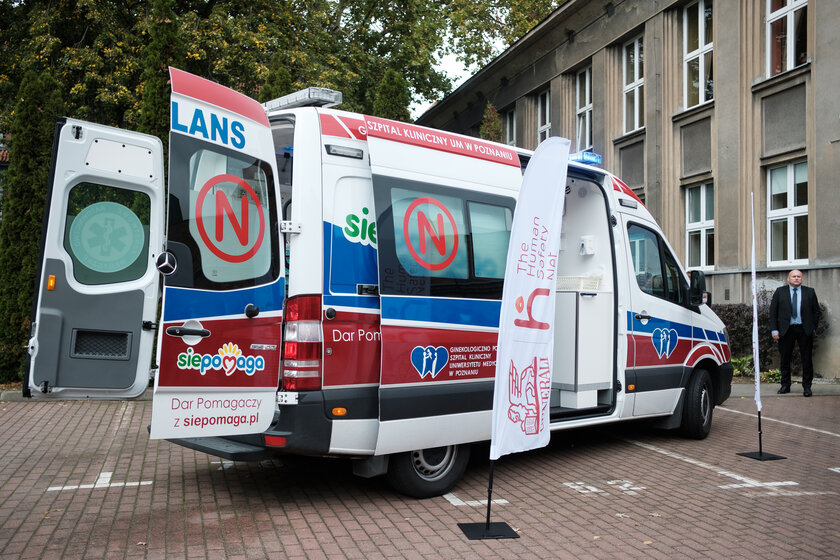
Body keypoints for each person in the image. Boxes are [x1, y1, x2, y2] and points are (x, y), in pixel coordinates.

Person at [769, 270, 820, 396]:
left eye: (799, 276)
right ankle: (785, 385)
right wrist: (774, 329)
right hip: (786, 330)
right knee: (785, 359)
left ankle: (807, 387)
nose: (796, 278)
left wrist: (812, 327)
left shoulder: (810, 292)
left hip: (804, 330)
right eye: (794, 276)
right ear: (788, 278)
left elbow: (816, 312)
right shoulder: (780, 292)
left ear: (802, 279)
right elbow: (773, 312)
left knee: (807, 359)